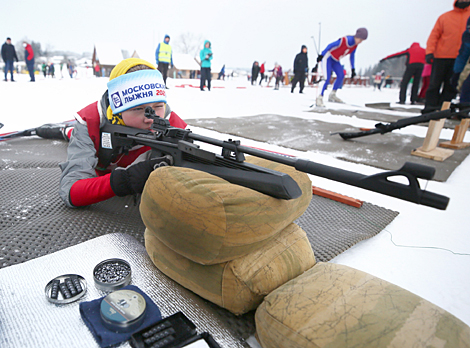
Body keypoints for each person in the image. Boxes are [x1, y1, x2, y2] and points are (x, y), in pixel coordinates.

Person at [58, 58, 187, 208]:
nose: (151, 119)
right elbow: (71, 191)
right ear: (116, 110)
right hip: (91, 148)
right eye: (138, 109)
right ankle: (65, 130)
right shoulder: (90, 122)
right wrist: (124, 180)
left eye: (158, 106)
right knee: (71, 132)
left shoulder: (174, 126)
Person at [423, 0, 470, 113]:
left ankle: (445, 109)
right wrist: (429, 52)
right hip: (441, 56)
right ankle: (430, 107)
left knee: (451, 85)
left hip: (461, 58)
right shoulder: (445, 17)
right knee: (435, 83)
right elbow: (434, 35)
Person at [315, 28, 368, 106]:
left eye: (362, 41)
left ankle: (332, 95)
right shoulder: (345, 40)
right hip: (328, 58)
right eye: (360, 39)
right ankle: (319, 97)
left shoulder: (354, 46)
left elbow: (352, 56)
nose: (360, 42)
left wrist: (353, 69)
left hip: (336, 60)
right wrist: (322, 55)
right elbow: (330, 45)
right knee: (327, 78)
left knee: (341, 75)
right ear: (356, 36)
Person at [452, 16, 470, 103]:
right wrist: (457, 72)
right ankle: (464, 109)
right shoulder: (467, 36)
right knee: (467, 85)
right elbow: (463, 55)